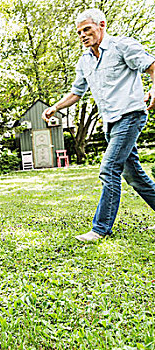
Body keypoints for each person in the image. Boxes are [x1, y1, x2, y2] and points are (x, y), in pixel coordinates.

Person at [42, 8, 155, 242]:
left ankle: (100, 228)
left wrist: (154, 88)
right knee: (133, 175)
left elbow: (151, 65)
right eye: (79, 32)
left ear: (101, 25)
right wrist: (55, 107)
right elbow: (76, 92)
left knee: (109, 168)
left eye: (87, 29)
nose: (83, 35)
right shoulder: (85, 61)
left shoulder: (121, 46)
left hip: (131, 114)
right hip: (111, 123)